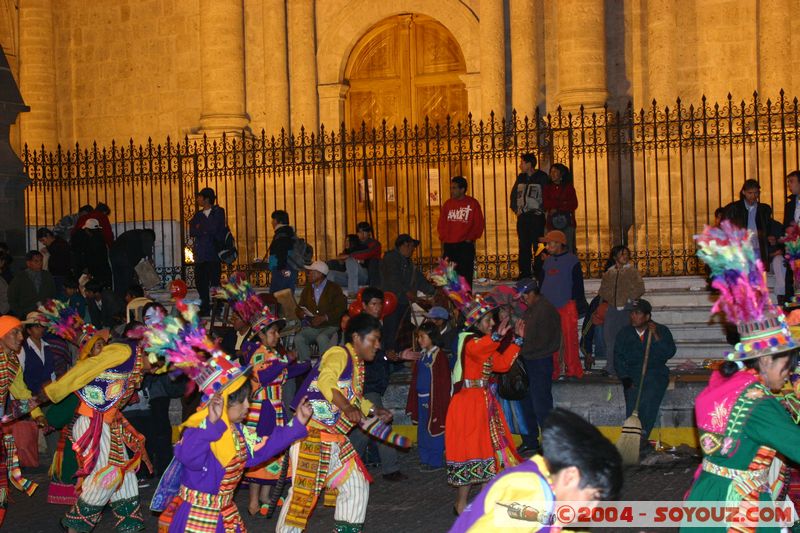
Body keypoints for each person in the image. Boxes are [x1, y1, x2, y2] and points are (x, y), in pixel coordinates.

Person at [143, 301, 311, 532]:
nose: (246, 406)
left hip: (224, 514)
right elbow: (188, 457)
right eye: (240, 400)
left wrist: (297, 424)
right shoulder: (201, 428)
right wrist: (210, 426)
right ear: (219, 403)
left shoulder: (236, 432)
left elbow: (261, 448)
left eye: (247, 399)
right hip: (198, 520)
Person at [682, 221, 800, 531]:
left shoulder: (723, 384)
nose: (788, 374)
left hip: (705, 496)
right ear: (764, 360)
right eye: (785, 365)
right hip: (737, 508)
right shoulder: (760, 403)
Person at [276, 313, 395, 533]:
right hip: (311, 436)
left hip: (334, 440)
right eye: (374, 339)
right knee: (302, 498)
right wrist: (348, 408)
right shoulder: (338, 353)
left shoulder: (356, 364)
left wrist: (373, 410)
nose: (378, 345)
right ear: (357, 338)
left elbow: (353, 397)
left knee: (356, 486)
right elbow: (325, 381)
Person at [38, 299, 148, 533]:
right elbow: (83, 371)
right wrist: (51, 392)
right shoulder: (123, 352)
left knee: (125, 479)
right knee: (106, 477)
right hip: (92, 425)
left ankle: (130, 527)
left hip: (107, 426)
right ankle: (75, 525)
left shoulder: (134, 364)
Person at [213, 274, 312, 515]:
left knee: (273, 450)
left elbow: (285, 372)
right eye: (273, 333)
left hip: (274, 407)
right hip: (261, 409)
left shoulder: (272, 353)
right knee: (259, 449)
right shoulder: (258, 353)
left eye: (277, 333)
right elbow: (265, 375)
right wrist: (285, 361)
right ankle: (254, 501)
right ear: (261, 335)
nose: (277, 336)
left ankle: (266, 496)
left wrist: (308, 365)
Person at [431, 261, 524, 515]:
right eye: (488, 322)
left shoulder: (485, 345)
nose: (492, 325)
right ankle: (462, 504)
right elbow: (482, 349)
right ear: (476, 323)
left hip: (483, 403)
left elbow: (502, 365)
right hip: (468, 405)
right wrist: (496, 337)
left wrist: (517, 340)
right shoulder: (470, 342)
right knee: (473, 453)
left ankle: (482, 504)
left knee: (489, 454)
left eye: (492, 322)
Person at [450, 408, 623, 532]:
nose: (590, 511)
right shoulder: (531, 494)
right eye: (592, 499)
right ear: (570, 477)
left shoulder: (547, 486)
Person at [348, 287, 406, 482]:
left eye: (380, 303)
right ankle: (390, 468)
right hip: (366, 383)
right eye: (374, 303)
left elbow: (383, 351)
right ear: (363, 305)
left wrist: (394, 355)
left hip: (375, 381)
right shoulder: (359, 327)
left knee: (367, 427)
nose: (378, 307)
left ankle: (345, 462)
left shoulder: (380, 324)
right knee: (379, 421)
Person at [0, 315, 47, 526]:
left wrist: (38, 414)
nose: (21, 337)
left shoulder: (12, 363)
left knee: (2, 488)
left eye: (21, 331)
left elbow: (21, 392)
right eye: (15, 332)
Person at [614, 299, 676, 451]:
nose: (633, 316)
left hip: (655, 372)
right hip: (633, 373)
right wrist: (625, 378)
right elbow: (618, 358)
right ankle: (632, 441)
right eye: (632, 313)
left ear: (647, 316)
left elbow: (669, 353)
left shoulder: (660, 330)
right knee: (633, 403)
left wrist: (655, 336)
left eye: (637, 313)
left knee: (648, 400)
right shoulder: (624, 333)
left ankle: (643, 438)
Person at [515, 278, 561, 455]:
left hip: (540, 361)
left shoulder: (545, 310)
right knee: (527, 402)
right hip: (529, 360)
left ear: (533, 292)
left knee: (541, 404)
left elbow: (545, 342)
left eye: (525, 295)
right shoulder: (532, 310)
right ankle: (531, 440)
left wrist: (521, 342)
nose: (523, 299)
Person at [538, 230, 585, 379]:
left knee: (570, 340)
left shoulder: (572, 261)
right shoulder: (547, 261)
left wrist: (576, 303)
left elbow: (578, 285)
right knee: (551, 341)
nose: (547, 246)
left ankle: (573, 370)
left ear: (559, 243)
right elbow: (542, 283)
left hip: (567, 305)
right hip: (549, 308)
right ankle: (554, 371)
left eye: (549, 242)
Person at [405, 321, 451, 471]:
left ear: (432, 337)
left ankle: (435, 461)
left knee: (435, 429)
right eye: (418, 337)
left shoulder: (439, 357)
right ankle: (424, 458)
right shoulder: (422, 356)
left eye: (422, 337)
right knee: (423, 430)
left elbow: (443, 382)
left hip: (433, 400)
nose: (419, 340)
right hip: (421, 398)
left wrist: (438, 401)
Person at [380, 233, 435, 355]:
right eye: (412, 246)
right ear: (404, 245)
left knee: (401, 332)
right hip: (393, 302)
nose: (413, 250)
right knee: (392, 331)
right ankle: (389, 358)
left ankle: (399, 358)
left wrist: (433, 291)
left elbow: (419, 280)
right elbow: (393, 279)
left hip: (403, 302)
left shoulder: (409, 264)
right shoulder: (391, 259)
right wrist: (406, 292)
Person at [597, 245, 645, 375]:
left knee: (626, 339)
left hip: (627, 309)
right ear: (615, 257)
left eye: (626, 254)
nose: (625, 256)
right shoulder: (609, 273)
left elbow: (640, 288)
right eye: (621, 254)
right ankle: (610, 367)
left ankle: (626, 367)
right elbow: (603, 290)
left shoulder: (632, 271)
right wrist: (613, 300)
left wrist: (628, 299)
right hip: (612, 309)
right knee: (610, 338)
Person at [294, 261, 347, 362]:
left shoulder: (334, 288)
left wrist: (325, 317)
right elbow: (299, 307)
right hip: (314, 327)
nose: (308, 274)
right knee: (299, 338)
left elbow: (341, 308)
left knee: (322, 338)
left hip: (331, 325)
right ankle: (306, 367)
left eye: (311, 272)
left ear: (320, 274)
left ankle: (324, 367)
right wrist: (301, 313)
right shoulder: (308, 289)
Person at [438, 176, 485, 287]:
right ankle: (452, 302)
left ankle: (466, 301)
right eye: (451, 188)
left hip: (464, 245)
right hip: (450, 246)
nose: (452, 191)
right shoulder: (447, 204)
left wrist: (471, 237)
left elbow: (479, 224)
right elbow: (442, 223)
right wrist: (444, 238)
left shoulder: (472, 203)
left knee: (465, 277)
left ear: (462, 189)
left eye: (454, 188)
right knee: (450, 277)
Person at [509, 153, 549, 279]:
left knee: (539, 245)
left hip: (537, 217)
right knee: (524, 245)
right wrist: (516, 209)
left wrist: (541, 209)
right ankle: (525, 273)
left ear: (529, 164)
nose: (520, 165)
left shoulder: (542, 177)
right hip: (523, 217)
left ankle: (539, 271)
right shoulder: (521, 177)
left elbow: (547, 194)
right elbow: (514, 195)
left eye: (522, 162)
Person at [189, 187, 226, 316]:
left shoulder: (218, 212)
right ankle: (205, 308)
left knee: (215, 283)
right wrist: (205, 229)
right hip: (200, 255)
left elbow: (215, 228)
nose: (197, 199)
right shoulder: (198, 215)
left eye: (200, 196)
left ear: (207, 199)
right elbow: (192, 230)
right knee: (201, 283)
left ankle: (217, 307)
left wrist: (202, 228)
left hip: (213, 254)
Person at [328, 221, 382, 297]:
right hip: (349, 276)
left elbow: (368, 253)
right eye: (360, 232)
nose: (362, 234)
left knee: (350, 261)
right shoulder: (354, 243)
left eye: (364, 231)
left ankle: (352, 293)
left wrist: (349, 256)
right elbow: (342, 260)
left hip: (366, 275)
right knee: (329, 273)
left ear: (369, 233)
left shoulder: (373, 244)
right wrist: (341, 261)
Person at [109, 228, 156, 300]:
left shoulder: (134, 234)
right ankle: (130, 303)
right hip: (124, 258)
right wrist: (150, 258)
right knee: (128, 283)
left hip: (114, 256)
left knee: (119, 283)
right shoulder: (148, 235)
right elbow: (147, 247)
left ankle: (120, 303)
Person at [7, 250, 56, 318]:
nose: (40, 263)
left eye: (41, 260)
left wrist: (51, 310)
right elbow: (12, 298)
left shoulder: (47, 275)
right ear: (28, 263)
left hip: (45, 314)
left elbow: (53, 295)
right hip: (26, 314)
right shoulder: (19, 278)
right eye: (36, 261)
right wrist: (20, 313)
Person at [543, 163, 579, 253]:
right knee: (552, 248)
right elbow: (546, 204)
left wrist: (556, 207)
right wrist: (563, 203)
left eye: (555, 171)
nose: (552, 174)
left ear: (561, 174)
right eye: (551, 172)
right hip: (551, 223)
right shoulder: (547, 188)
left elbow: (573, 204)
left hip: (567, 223)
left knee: (568, 248)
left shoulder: (569, 188)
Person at [19, 311, 56, 396]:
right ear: (28, 330)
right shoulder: (22, 350)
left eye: (42, 327)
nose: (41, 330)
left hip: (49, 394)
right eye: (36, 327)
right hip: (32, 396)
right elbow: (19, 378)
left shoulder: (47, 346)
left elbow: (52, 373)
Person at [71, 218, 113, 288]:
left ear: (87, 230)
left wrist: (88, 269)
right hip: (104, 271)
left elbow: (91, 258)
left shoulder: (91, 242)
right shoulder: (101, 239)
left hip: (95, 272)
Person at [268, 209, 299, 293]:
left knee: (279, 294)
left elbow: (282, 251)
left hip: (282, 268)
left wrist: (282, 268)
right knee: (285, 293)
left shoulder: (282, 234)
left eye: (273, 219)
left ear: (279, 221)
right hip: (287, 267)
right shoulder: (287, 232)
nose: (272, 222)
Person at [37, 227, 72, 296]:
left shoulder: (59, 245)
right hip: (55, 276)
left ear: (48, 235)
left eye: (43, 240)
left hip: (61, 276)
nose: (43, 243)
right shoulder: (54, 245)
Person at [783, 170, 800, 298]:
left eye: (792, 181)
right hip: (794, 248)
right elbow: (785, 226)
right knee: (793, 280)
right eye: (788, 182)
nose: (789, 185)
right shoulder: (789, 205)